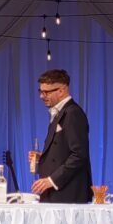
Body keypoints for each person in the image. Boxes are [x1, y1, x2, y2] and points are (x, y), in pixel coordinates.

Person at [29, 69, 92, 203]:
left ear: (61, 91)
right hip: (56, 194)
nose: (41, 96)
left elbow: (79, 155)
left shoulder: (73, 113)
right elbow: (63, 152)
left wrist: (52, 180)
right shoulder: (61, 112)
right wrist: (44, 158)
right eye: (40, 91)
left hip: (67, 195)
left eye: (46, 92)